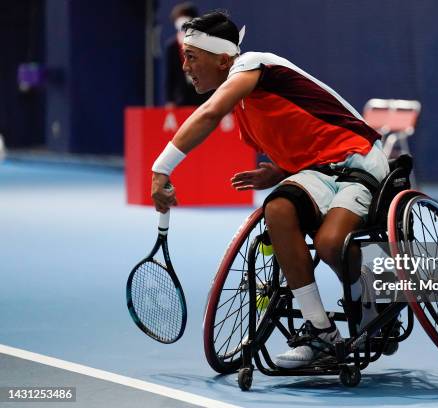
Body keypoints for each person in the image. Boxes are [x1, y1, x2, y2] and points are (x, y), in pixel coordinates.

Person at [150, 10, 389, 368]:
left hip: (357, 162)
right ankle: (320, 331)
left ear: (224, 59)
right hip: (316, 171)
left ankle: (378, 295)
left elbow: (210, 114)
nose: (185, 65)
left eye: (192, 57)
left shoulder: (253, 64)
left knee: (327, 243)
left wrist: (160, 169)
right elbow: (306, 133)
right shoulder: (246, 106)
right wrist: (279, 172)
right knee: (277, 209)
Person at [164, 2, 209, 107]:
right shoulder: (172, 46)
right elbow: (170, 76)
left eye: (185, 18)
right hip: (181, 97)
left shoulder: (204, 44)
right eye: (179, 18)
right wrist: (169, 100)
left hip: (203, 95)